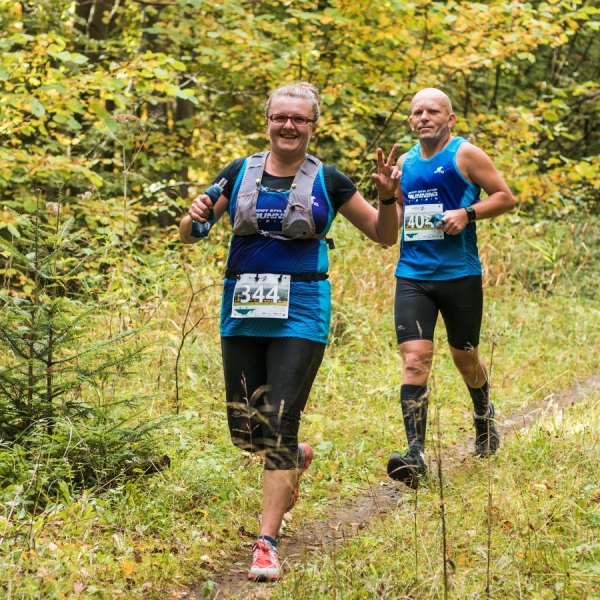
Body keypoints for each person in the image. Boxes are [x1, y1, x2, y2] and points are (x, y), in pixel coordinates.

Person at [180, 82, 400, 581]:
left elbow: (384, 236)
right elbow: (193, 234)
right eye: (280, 117)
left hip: (301, 309)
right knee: (246, 431)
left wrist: (388, 197)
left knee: (279, 422)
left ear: (312, 126)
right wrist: (193, 218)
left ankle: (267, 543)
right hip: (243, 309)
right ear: (268, 121)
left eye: (299, 119)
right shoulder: (239, 171)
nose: (289, 126)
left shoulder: (330, 180)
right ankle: (294, 458)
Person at [386, 88, 515, 489]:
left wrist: (467, 213)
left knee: (466, 358)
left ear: (450, 118)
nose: (424, 117)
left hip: (459, 275)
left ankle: (483, 415)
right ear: (411, 120)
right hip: (412, 275)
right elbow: (400, 212)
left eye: (433, 111)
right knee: (415, 360)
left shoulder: (465, 154)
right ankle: (415, 454)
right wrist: (387, 198)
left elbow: (505, 198)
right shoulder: (404, 162)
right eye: (417, 112)